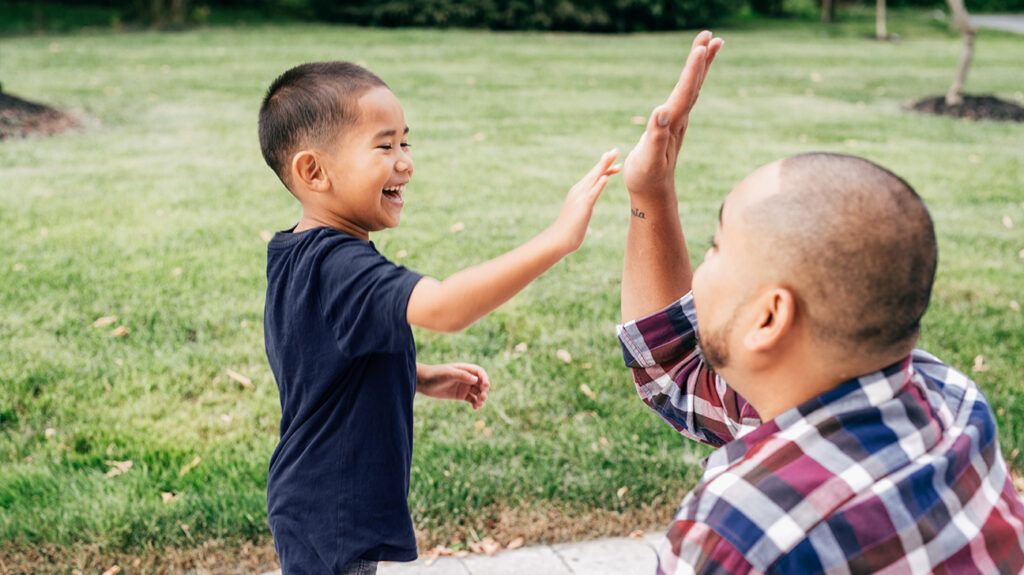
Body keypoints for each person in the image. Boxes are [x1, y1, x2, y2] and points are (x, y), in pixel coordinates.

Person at [618, 31, 1024, 574]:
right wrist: (652, 192)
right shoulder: (951, 400)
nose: (705, 261)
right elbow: (678, 375)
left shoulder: (743, 533)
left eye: (716, 246)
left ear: (769, 318)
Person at [257, 62, 620, 574]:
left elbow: (315, 361)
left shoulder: (296, 251)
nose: (405, 163)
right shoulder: (342, 266)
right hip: (331, 506)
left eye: (406, 143)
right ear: (313, 171)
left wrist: (419, 377)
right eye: (384, 146)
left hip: (313, 495)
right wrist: (558, 239)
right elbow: (446, 307)